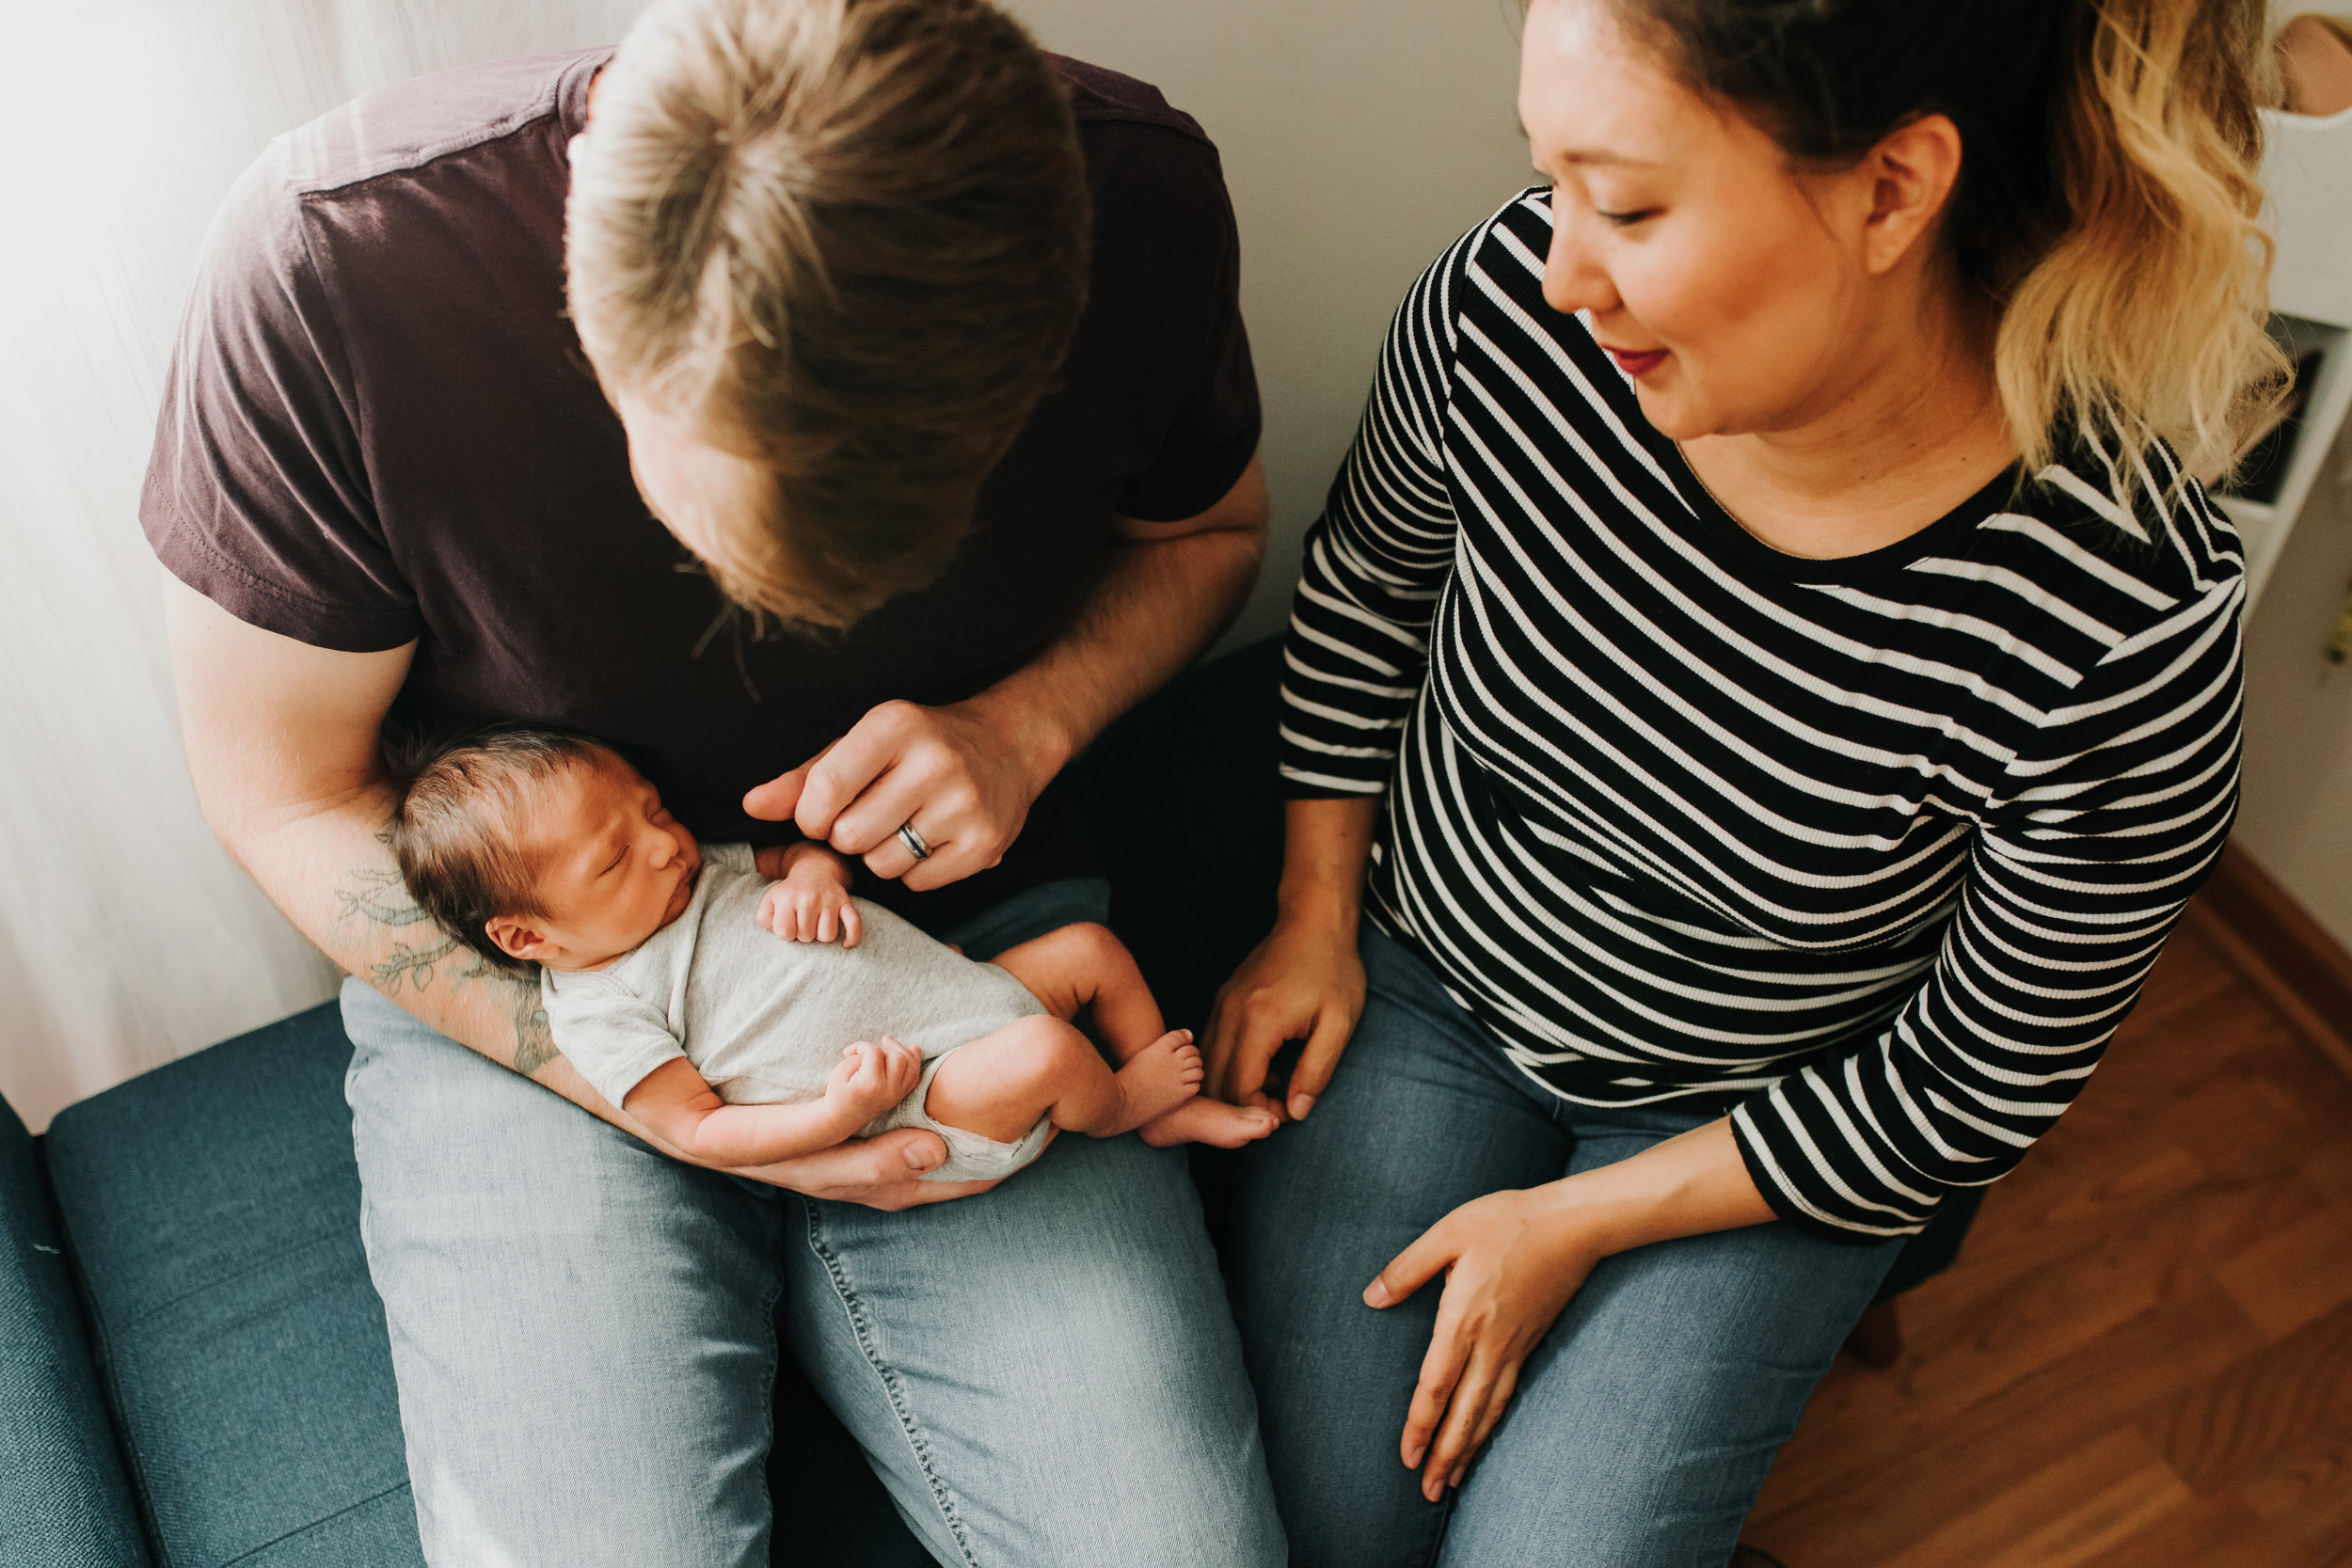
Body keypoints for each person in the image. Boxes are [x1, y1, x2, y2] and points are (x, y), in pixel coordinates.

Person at [145, 0, 1285, 1560]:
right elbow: (281, 787)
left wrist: (1027, 723)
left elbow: (1206, 538)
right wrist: (642, 1088)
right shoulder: (336, 267)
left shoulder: (1137, 195)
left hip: (960, 935)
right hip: (549, 990)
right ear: (589, 309)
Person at [1207, 0, 2277, 1562]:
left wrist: (1575, 1221)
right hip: (1434, 990)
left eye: (1628, 205)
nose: (1562, 266)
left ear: (1893, 190)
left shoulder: (2115, 612)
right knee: (1308, 1537)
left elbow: (1978, 1079)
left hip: (1769, 1120)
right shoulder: (1510, 310)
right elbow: (1367, 594)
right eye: (1550, 178)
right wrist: (1312, 914)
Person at [386, 724, 1261, 1176]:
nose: (663, 844)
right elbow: (700, 1127)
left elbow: (790, 856)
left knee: (1089, 948)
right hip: (921, 1096)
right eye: (614, 857)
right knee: (1046, 1050)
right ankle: (1122, 1109)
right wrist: (835, 1118)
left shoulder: (688, 873)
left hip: (966, 992)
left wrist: (815, 878)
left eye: (652, 810)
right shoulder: (601, 1011)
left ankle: (1158, 1085)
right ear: (530, 935)